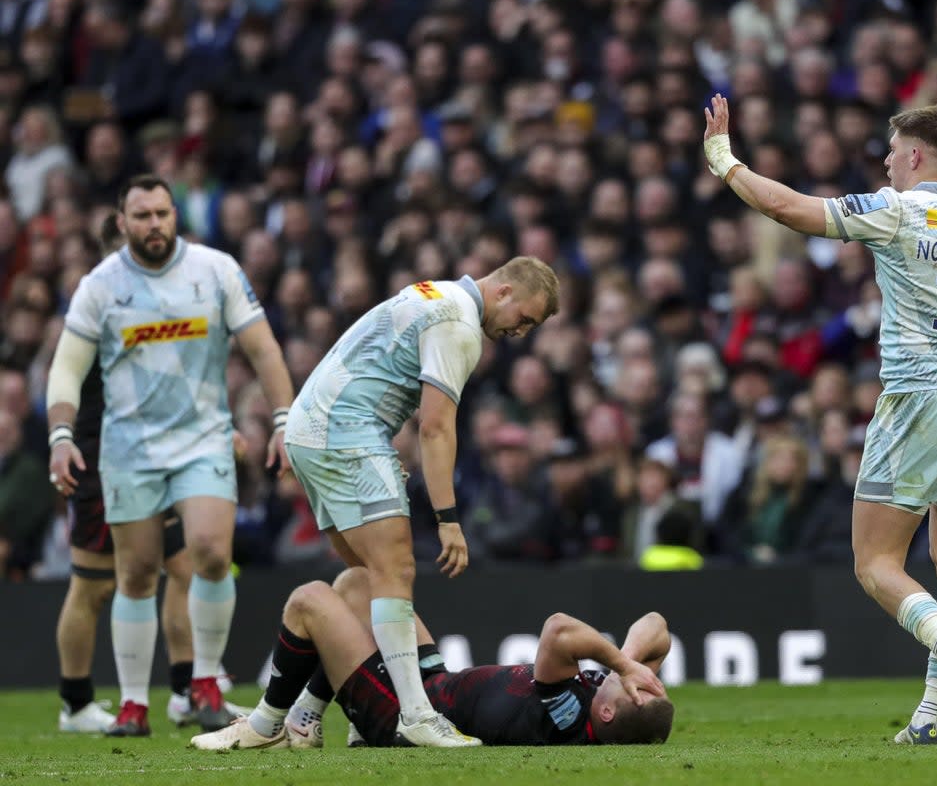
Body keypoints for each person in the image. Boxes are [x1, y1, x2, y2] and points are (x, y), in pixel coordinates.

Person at [703, 95, 937, 744]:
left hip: (919, 401)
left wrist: (724, 161)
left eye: (891, 151)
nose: (884, 162)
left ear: (914, 155)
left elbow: (790, 209)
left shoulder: (898, 209)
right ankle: (934, 714)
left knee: (875, 560)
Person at [46, 174, 294, 736]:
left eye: (162, 213)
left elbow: (262, 346)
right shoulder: (101, 285)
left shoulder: (216, 270)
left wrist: (283, 419)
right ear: (122, 222)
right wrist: (61, 436)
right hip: (129, 448)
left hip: (203, 438)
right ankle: (133, 704)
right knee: (133, 575)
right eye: (142, 216)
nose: (153, 224)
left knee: (208, 552)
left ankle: (203, 683)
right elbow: (66, 367)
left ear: (174, 216)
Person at [282, 256, 560, 747]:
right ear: (504, 292)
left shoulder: (435, 292)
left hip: (314, 426)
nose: (521, 332)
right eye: (525, 319)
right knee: (395, 572)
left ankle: (312, 713)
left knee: (367, 582)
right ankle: (415, 715)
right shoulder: (459, 324)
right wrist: (448, 519)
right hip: (348, 430)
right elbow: (434, 426)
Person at [54, 213, 240, 733]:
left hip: (168, 458)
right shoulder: (98, 308)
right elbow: (67, 382)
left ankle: (188, 689)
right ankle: (74, 703)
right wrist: (62, 442)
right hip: (103, 460)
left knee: (186, 568)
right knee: (94, 585)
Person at [189, 567, 671, 749]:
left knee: (309, 600)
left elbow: (558, 629)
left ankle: (268, 725)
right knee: (361, 584)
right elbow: (657, 627)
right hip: (431, 684)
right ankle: (305, 719)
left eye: (640, 689)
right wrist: (629, 664)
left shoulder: (565, 715)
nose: (643, 678)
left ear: (607, 713)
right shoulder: (607, 698)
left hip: (408, 716)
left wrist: (625, 667)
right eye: (652, 681)